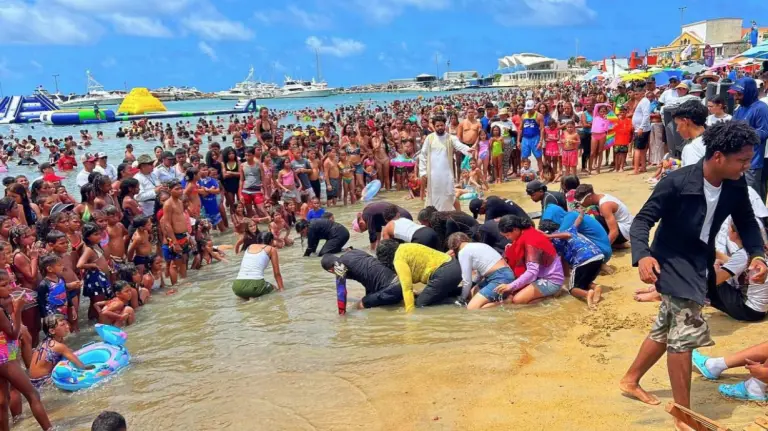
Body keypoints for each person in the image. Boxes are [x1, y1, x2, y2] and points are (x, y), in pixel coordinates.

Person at [619, 121, 768, 430]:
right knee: (684, 331)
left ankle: (630, 380)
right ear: (717, 156)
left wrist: (757, 255)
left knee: (667, 326)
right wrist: (643, 256)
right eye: (741, 159)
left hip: (700, 259)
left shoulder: (736, 184)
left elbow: (749, 224)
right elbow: (642, 221)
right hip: (670, 258)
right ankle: (684, 415)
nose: (747, 165)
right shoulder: (676, 182)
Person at [376, 240, 462, 312]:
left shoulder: (398, 260)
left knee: (420, 304)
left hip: (444, 273)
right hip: (455, 266)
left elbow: (407, 289)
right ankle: (463, 292)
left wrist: (409, 313)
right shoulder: (405, 246)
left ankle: (457, 303)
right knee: (436, 294)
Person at [496, 215, 564, 304]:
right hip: (543, 273)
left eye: (508, 235)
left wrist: (511, 286)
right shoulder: (528, 231)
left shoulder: (530, 242)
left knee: (518, 300)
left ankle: (551, 296)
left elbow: (532, 272)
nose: (507, 238)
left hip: (551, 279)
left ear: (516, 229)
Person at [540, 216, 604, 308]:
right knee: (584, 281)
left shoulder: (555, 240)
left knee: (572, 289)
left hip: (583, 259)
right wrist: (581, 213)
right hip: (598, 255)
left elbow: (561, 259)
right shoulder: (570, 229)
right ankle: (595, 287)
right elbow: (578, 221)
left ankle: (587, 294)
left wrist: (548, 237)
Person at [418, 115, 474, 211]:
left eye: (442, 125)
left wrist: (468, 149)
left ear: (445, 125)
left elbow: (459, 146)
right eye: (437, 126)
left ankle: (457, 215)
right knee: (434, 195)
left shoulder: (450, 138)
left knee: (450, 195)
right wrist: (423, 172)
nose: (440, 127)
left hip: (446, 174)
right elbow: (423, 155)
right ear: (434, 127)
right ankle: (436, 216)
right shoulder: (429, 138)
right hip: (433, 174)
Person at [446, 232, 514, 310]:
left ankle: (507, 301)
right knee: (471, 294)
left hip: (499, 278)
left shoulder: (463, 252)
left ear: (453, 247)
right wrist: (474, 285)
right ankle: (497, 299)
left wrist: (462, 299)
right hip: (504, 275)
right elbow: (480, 271)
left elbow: (467, 281)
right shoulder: (479, 245)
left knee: (472, 308)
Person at [320, 250, 403, 309]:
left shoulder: (338, 267)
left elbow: (341, 293)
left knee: (360, 305)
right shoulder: (354, 252)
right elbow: (369, 273)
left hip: (391, 290)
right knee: (368, 299)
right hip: (401, 282)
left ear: (331, 270)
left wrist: (342, 318)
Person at [28, 314, 93, 389]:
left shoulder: (44, 343)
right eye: (62, 325)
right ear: (52, 331)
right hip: (44, 383)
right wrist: (90, 369)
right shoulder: (59, 346)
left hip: (32, 383)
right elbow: (80, 365)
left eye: (66, 323)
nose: (67, 326)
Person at [730, 78, 768, 200]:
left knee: (754, 197)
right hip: (737, 160)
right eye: (735, 94)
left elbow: (763, 132)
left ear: (749, 92)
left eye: (739, 94)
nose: (736, 97)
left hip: (752, 163)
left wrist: (742, 133)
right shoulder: (739, 109)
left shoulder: (761, 108)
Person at [573, 184, 634, 249]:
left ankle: (611, 245)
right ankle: (617, 245)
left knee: (591, 222)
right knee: (592, 213)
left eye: (581, 201)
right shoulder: (602, 198)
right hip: (627, 228)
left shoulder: (605, 205)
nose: (581, 204)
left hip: (624, 231)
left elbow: (614, 232)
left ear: (589, 197)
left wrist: (603, 249)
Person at [233, 232, 284, 299]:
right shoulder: (271, 249)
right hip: (255, 286)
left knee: (246, 296)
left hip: (237, 286)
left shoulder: (250, 246)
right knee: (275, 289)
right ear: (271, 241)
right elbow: (277, 274)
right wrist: (282, 290)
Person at [161, 180, 190, 284]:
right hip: (175, 237)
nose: (180, 191)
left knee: (182, 260)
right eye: (176, 189)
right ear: (170, 190)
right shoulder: (168, 204)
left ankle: (184, 282)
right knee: (174, 263)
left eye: (180, 188)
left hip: (183, 235)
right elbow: (167, 223)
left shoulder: (180, 202)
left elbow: (181, 219)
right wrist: (174, 241)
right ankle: (175, 285)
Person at [674, 100, 708, 167]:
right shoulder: (715, 137)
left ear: (685, 121)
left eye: (677, 124)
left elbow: (692, 175)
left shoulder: (691, 148)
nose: (677, 130)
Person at [520, 100, 544, 169]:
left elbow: (542, 129)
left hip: (535, 138)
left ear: (534, 107)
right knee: (524, 158)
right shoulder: (523, 116)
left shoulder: (539, 115)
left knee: (538, 158)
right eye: (528, 109)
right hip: (525, 138)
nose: (529, 110)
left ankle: (541, 174)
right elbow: (520, 129)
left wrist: (540, 141)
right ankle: (525, 173)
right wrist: (518, 141)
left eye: (530, 109)